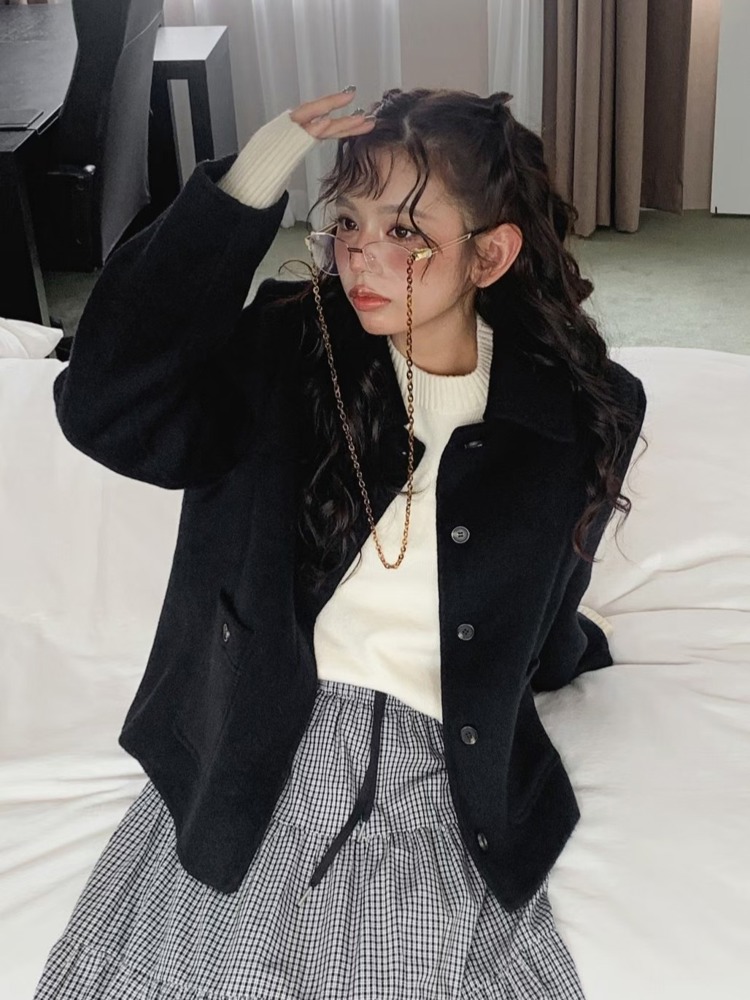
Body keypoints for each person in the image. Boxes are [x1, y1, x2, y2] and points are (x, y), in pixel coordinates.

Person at [34, 85, 647, 999]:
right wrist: (248, 184)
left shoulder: (587, 408)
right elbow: (104, 405)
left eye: (405, 232)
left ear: (490, 253)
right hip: (258, 734)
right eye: (349, 222)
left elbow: (553, 586)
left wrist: (563, 655)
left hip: (448, 771)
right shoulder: (288, 349)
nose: (361, 254)